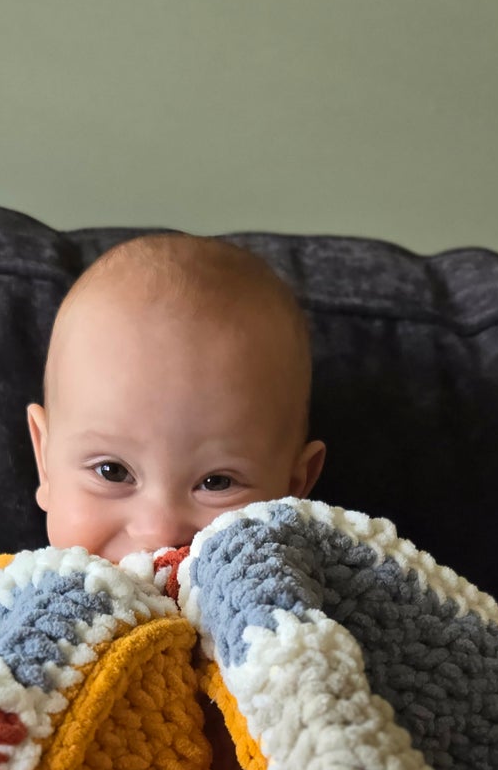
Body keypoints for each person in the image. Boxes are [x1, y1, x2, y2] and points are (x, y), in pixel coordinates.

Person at [26, 231, 326, 566]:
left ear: (294, 486)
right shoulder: (0, 601)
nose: (160, 534)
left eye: (217, 482)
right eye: (111, 471)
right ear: (46, 464)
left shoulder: (301, 609)